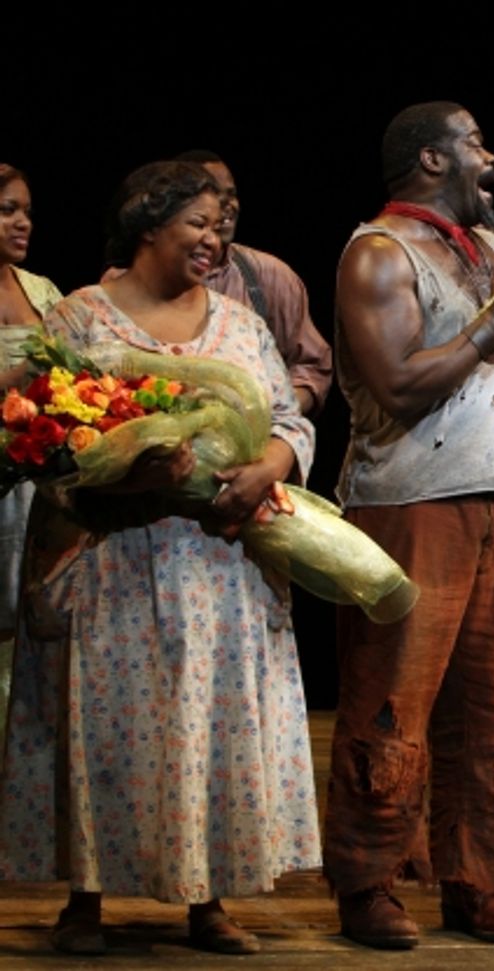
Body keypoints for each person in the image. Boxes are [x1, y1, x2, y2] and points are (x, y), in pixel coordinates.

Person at [0, 160, 319, 956]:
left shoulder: (241, 324)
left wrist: (269, 466)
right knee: (103, 720)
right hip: (112, 557)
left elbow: (292, 416)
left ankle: (206, 897)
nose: (216, 239)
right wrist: (117, 464)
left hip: (219, 564)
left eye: (223, 225)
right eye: (199, 224)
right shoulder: (80, 318)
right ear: (148, 223)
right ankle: (85, 895)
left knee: (205, 721)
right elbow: (39, 435)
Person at [325, 101, 494, 950]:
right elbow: (402, 387)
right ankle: (369, 881)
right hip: (409, 502)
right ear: (431, 161)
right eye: (475, 142)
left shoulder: (486, 249)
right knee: (392, 699)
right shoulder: (378, 251)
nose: (492, 156)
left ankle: (475, 879)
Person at [173, 150, 332, 415]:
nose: (227, 206)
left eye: (231, 194)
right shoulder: (133, 284)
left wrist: (269, 418)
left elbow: (311, 367)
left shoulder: (269, 277)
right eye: (213, 195)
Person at [0, 164, 63, 759]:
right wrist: (19, 379)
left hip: (35, 475)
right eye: (7, 210)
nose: (23, 223)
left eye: (26, 211)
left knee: (30, 607)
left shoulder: (40, 290)